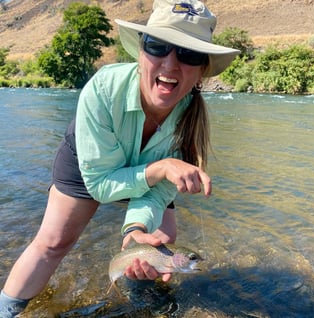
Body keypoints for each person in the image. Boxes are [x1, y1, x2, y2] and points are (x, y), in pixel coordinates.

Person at [0, 0, 239, 316]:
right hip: (93, 162)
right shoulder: (102, 90)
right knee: (53, 244)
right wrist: (161, 167)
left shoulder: (190, 125)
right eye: (158, 46)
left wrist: (134, 231)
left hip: (152, 175)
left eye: (189, 53)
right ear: (141, 53)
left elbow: (156, 193)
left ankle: (141, 298)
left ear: (201, 72)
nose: (170, 63)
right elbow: (100, 185)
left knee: (161, 242)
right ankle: (7, 309)